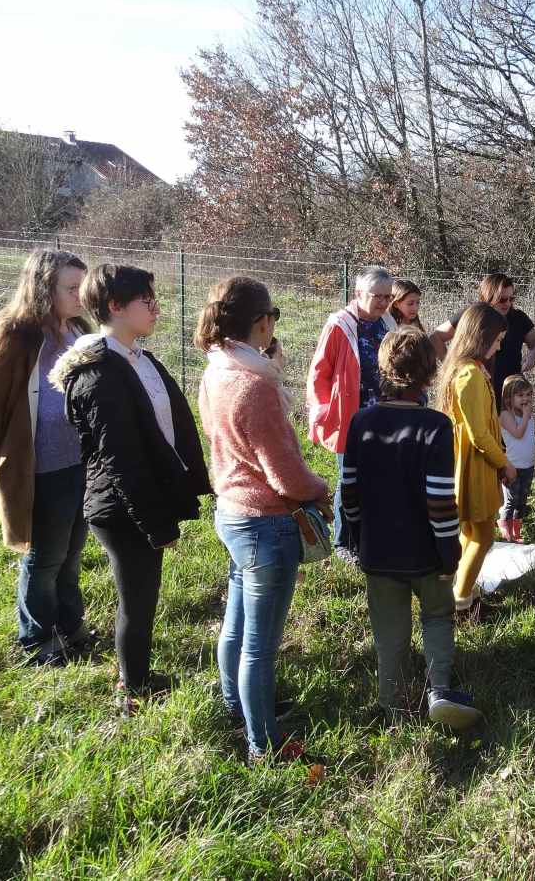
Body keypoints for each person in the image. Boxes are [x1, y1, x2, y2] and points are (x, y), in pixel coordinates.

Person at [49, 264, 211, 716]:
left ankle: (135, 675)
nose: (156, 307)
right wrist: (157, 525)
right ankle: (134, 688)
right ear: (115, 306)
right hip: (120, 508)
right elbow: (122, 462)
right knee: (137, 600)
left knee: (144, 595)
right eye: (147, 300)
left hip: (140, 498)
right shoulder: (99, 375)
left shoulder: (139, 359)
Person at [196, 276, 331, 764]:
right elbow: (286, 474)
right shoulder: (256, 385)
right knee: (260, 646)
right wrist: (320, 489)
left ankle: (237, 707)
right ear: (261, 322)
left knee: (236, 626)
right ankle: (264, 744)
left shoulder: (217, 369)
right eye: (273, 316)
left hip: (232, 512)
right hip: (266, 523)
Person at [340, 327, 483, 729]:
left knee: (389, 631)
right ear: (430, 373)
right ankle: (440, 691)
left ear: (383, 367)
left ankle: (394, 706)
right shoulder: (436, 426)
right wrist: (449, 552)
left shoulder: (361, 421)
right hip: (426, 553)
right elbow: (440, 501)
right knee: (437, 617)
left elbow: (348, 490)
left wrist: (356, 535)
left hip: (378, 550)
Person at [0, 249, 98, 666]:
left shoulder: (79, 331)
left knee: (72, 553)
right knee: (46, 556)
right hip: (41, 469)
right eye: (71, 288)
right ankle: (38, 639)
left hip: (82, 464)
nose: (81, 295)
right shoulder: (16, 336)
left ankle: (71, 626)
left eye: (83, 286)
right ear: (44, 289)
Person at [306, 266, 397, 554]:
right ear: (358, 293)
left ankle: (370, 536)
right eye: (377, 296)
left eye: (388, 296)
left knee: (379, 478)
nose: (383, 302)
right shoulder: (340, 324)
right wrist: (323, 411)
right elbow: (319, 372)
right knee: (349, 479)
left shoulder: (388, 323)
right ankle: (343, 542)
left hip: (383, 415)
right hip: (350, 417)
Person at [436, 304, 514, 612]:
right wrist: (504, 463)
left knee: (471, 533)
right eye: (497, 340)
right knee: (482, 537)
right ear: (481, 337)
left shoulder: (471, 369)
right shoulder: (469, 375)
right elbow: (479, 434)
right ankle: (461, 603)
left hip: (476, 463)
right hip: (475, 467)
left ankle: (461, 590)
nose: (499, 346)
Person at [431, 273, 535, 395]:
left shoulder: (519, 318)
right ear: (488, 297)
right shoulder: (473, 316)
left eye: (511, 299)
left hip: (510, 392)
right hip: (476, 387)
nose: (507, 304)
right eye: (502, 299)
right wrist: (452, 368)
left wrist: (531, 356)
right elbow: (436, 336)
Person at [498, 375, 535, 543]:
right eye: (520, 395)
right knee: (511, 499)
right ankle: (504, 527)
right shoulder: (506, 415)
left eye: (528, 394)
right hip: (513, 466)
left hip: (528, 465)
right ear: (509, 398)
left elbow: (528, 437)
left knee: (522, 500)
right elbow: (518, 434)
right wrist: (526, 416)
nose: (525, 399)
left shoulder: (528, 416)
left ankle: (516, 531)